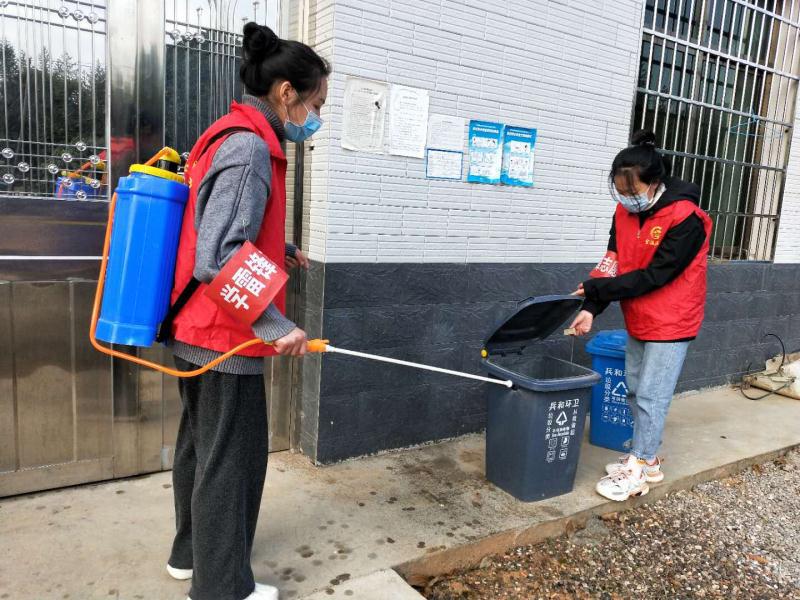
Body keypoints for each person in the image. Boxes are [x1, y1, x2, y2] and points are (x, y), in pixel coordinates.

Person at [164, 23, 329, 600]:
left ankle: (191, 555)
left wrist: (277, 247)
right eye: (315, 103)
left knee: (200, 450)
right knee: (229, 465)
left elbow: (213, 225)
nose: (314, 118)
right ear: (286, 92)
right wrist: (276, 324)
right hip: (225, 336)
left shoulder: (223, 133)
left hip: (197, 328)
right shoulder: (250, 147)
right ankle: (223, 587)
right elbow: (220, 255)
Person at [570, 130, 712, 502]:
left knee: (652, 394)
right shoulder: (623, 212)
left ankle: (639, 465)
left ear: (656, 184)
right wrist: (590, 307)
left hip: (673, 319)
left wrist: (598, 291)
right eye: (620, 190)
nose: (626, 198)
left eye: (632, 191)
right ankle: (647, 458)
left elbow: (656, 275)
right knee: (635, 388)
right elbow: (611, 262)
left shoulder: (686, 218)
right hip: (640, 316)